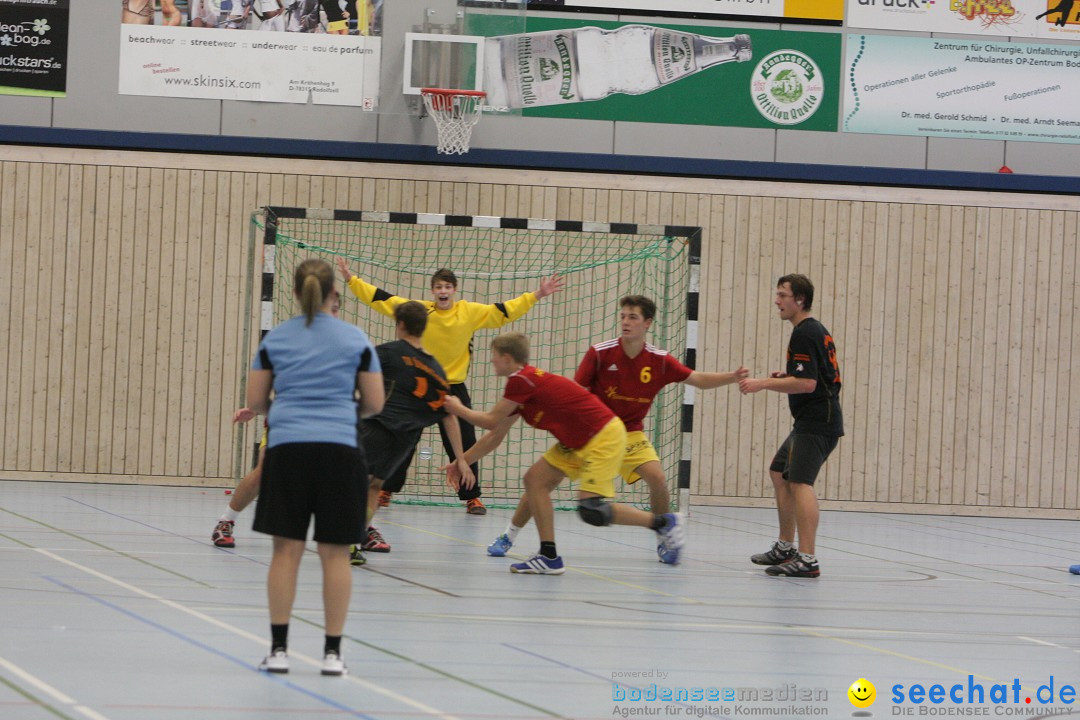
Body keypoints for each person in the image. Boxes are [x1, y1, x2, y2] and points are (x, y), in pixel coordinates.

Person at [486, 295, 747, 563]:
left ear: (647, 323)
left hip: (630, 431)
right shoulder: (600, 353)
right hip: (592, 432)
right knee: (540, 481)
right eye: (623, 316)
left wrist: (731, 377)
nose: (625, 322)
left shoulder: (658, 360)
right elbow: (577, 393)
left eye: (632, 317)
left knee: (656, 477)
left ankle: (664, 534)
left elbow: (697, 379)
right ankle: (509, 535)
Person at [444, 332, 685, 575]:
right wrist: (461, 462)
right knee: (534, 480)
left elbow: (489, 421)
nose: (492, 362)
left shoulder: (521, 381)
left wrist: (457, 408)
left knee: (591, 510)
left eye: (494, 357)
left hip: (602, 435)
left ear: (507, 358)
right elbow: (495, 435)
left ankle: (664, 522)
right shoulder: (524, 384)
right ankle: (548, 556)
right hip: (578, 439)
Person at [337, 259, 564, 515]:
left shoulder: (470, 312)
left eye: (447, 286)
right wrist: (351, 280)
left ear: (454, 290)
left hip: (453, 387)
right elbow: (383, 299)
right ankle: (386, 489)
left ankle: (472, 496)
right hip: (420, 383)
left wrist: (537, 294)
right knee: (404, 437)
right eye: (438, 287)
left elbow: (504, 310)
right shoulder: (421, 312)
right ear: (432, 291)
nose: (443, 291)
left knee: (466, 442)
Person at [247, 258, 384, 675]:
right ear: (334, 296)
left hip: (288, 450)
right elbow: (375, 404)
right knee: (335, 554)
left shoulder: (275, 340)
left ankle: (279, 651)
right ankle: (332, 655)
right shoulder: (356, 339)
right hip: (339, 451)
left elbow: (255, 403)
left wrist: (291, 406)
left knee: (285, 551)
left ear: (294, 292)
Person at [212, 290, 343, 549]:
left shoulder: (344, 345)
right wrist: (257, 407)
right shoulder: (290, 341)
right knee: (265, 473)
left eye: (337, 309)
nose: (333, 314)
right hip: (287, 419)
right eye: (328, 308)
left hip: (325, 422)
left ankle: (359, 529)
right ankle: (225, 522)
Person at [351, 301, 475, 564]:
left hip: (375, 426)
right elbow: (449, 414)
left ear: (401, 325)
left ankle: (347, 536)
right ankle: (358, 535)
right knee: (374, 484)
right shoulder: (436, 369)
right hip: (404, 440)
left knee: (355, 480)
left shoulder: (387, 352)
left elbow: (355, 376)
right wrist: (461, 459)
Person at [738, 274, 843, 579]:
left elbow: (808, 384)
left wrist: (763, 383)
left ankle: (808, 559)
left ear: (800, 300)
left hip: (817, 422)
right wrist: (785, 377)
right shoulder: (811, 330)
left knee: (800, 483)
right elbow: (814, 376)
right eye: (778, 294)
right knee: (779, 471)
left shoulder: (804, 333)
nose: (777, 300)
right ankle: (786, 546)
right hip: (810, 421)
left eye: (783, 295)